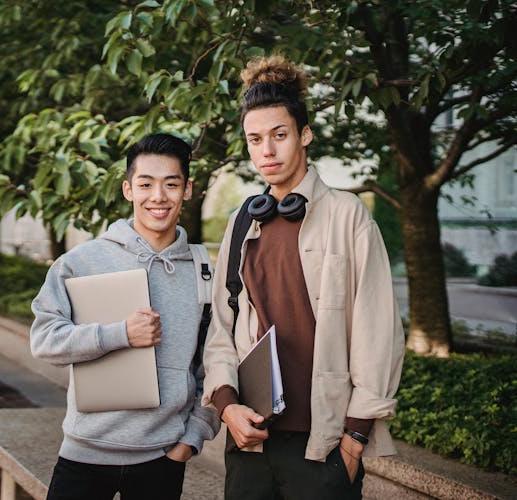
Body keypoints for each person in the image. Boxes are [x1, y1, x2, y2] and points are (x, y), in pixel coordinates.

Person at [202, 55, 405, 499]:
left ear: (304, 134)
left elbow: (378, 329)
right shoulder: (242, 222)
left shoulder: (347, 215)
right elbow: (221, 325)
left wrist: (353, 440)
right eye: (255, 140)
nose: (267, 151)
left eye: (279, 135)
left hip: (324, 447)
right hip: (250, 442)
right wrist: (226, 404)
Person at [30, 133, 220, 500]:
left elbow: (212, 364)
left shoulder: (204, 270)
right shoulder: (80, 262)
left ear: (188, 189)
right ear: (128, 189)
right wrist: (120, 334)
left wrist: (193, 437)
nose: (158, 197)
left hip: (162, 458)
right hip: (84, 453)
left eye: (171, 184)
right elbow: (44, 342)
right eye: (146, 184)